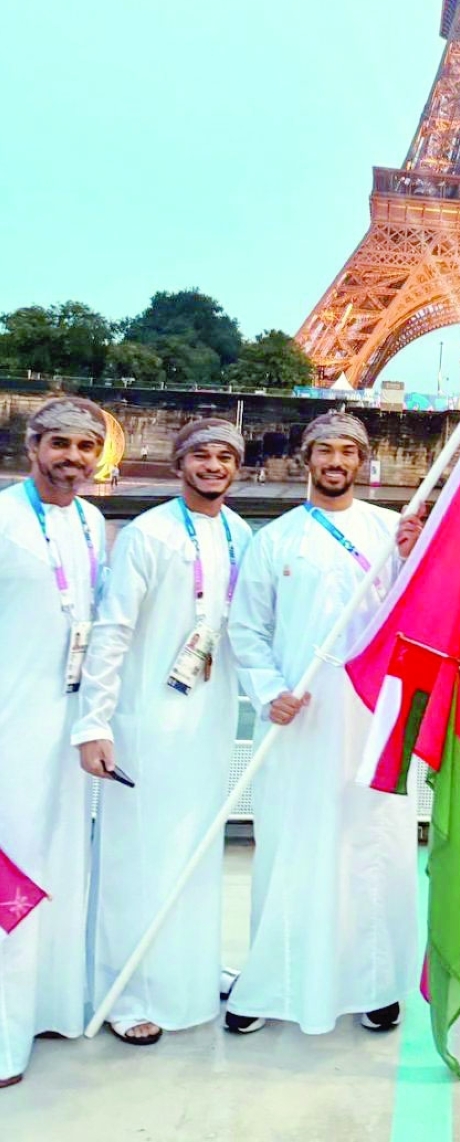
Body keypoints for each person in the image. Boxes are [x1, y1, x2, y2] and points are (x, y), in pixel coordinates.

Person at [223, 414, 424, 1036]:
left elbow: (420, 616)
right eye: (325, 451)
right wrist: (268, 691)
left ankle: (375, 982)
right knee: (290, 846)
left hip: (371, 717)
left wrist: (418, 560)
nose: (336, 461)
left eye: (348, 451)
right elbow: (247, 630)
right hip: (297, 719)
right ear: (307, 459)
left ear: (363, 462)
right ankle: (273, 982)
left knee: (371, 845)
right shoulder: (274, 540)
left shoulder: (393, 534)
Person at [73, 420, 252, 1045]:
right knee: (137, 854)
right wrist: (94, 722)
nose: (212, 465)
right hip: (146, 717)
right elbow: (114, 630)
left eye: (224, 456)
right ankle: (127, 991)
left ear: (237, 468)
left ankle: (190, 970)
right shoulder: (148, 534)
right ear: (181, 466)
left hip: (210, 717)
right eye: (201, 455)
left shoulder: (238, 533)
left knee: (196, 850)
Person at [0, 397, 108, 1088]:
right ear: (32, 445)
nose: (72, 459)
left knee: (65, 868)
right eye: (60, 444)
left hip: (70, 725)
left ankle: (51, 1007)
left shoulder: (94, 521)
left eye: (85, 448)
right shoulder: (3, 517)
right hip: (10, 720)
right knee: (12, 874)